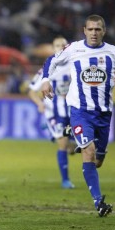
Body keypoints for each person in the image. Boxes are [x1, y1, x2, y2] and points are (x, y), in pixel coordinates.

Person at [41, 14, 115, 217]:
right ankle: (99, 203)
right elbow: (51, 61)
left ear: (104, 31)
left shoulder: (113, 52)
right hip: (80, 111)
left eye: (98, 29)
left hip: (104, 114)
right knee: (88, 152)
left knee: (97, 161)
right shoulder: (74, 49)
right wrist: (46, 80)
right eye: (90, 29)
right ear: (84, 30)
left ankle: (77, 136)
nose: (94, 33)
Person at [28, 36, 76, 189]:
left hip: (72, 111)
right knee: (63, 143)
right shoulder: (47, 68)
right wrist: (40, 104)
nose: (61, 47)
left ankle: (53, 134)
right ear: (53, 48)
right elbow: (31, 91)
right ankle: (65, 181)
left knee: (72, 148)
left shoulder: (75, 65)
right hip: (54, 113)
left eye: (63, 45)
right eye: (57, 45)